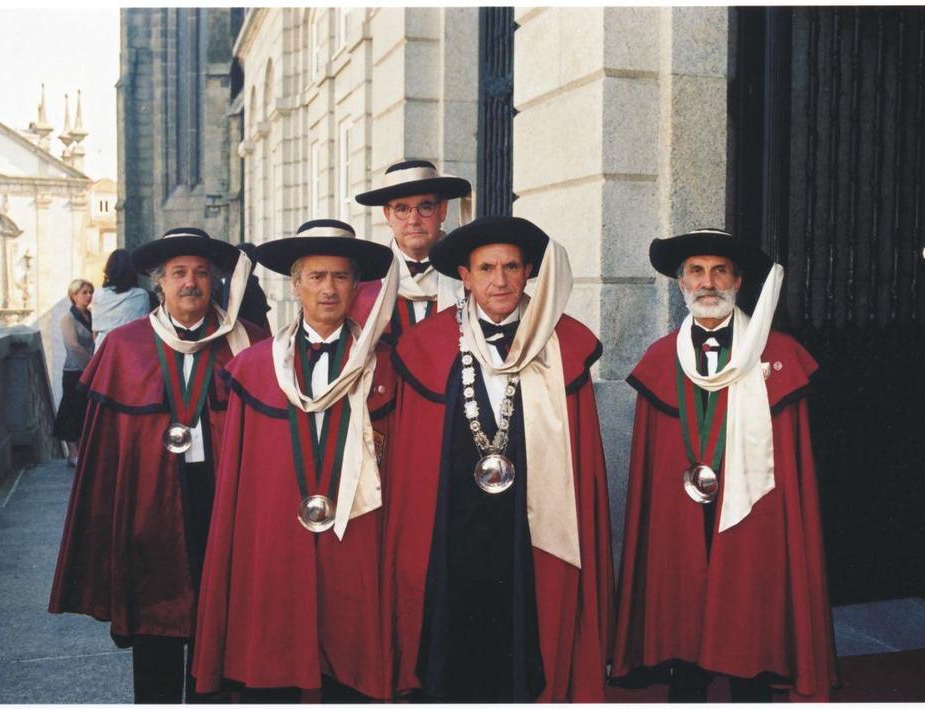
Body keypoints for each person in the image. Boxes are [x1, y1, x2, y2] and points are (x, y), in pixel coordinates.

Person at [381, 216, 614, 702]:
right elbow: (412, 462)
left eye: (511, 266)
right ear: (464, 276)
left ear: (530, 271)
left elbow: (582, 463)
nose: (500, 280)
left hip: (532, 518)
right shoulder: (425, 347)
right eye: (486, 268)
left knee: (527, 618)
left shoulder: (563, 344)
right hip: (453, 517)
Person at [610, 228, 837, 701]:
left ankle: (750, 684)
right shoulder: (658, 358)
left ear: (738, 281)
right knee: (681, 603)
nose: (707, 283)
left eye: (719, 272)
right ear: (680, 284)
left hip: (754, 509)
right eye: (696, 272)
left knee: (750, 603)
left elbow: (792, 464)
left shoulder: (779, 357)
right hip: (681, 508)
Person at [49, 228, 263, 703]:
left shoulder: (247, 344)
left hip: (224, 497)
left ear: (215, 282)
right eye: (180, 274)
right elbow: (106, 453)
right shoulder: (125, 346)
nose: (191, 283)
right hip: (149, 503)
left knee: (225, 628)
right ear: (159, 282)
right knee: (156, 624)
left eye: (202, 274)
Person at [191, 219, 398, 701]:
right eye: (316, 276)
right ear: (295, 284)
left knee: (352, 659)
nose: (329, 289)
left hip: (358, 529)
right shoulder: (255, 366)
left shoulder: (386, 365)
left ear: (356, 286)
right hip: (276, 534)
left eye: (341, 277)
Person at [353, 159, 470, 340]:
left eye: (425, 207)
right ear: (387, 214)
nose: (413, 220)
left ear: (443, 210)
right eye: (402, 209)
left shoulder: (468, 277)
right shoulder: (366, 286)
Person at [53, 278, 95, 466]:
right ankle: (73, 452)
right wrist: (93, 363)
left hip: (92, 370)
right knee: (71, 409)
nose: (88, 296)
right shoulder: (67, 319)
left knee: (85, 410)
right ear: (74, 295)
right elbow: (73, 345)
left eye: (90, 292)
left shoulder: (93, 316)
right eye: (84, 292)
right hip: (75, 371)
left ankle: (82, 451)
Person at [91, 248, 152, 346]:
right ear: (132, 269)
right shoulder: (141, 295)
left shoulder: (97, 295)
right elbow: (143, 329)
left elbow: (95, 332)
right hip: (130, 347)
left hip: (103, 347)